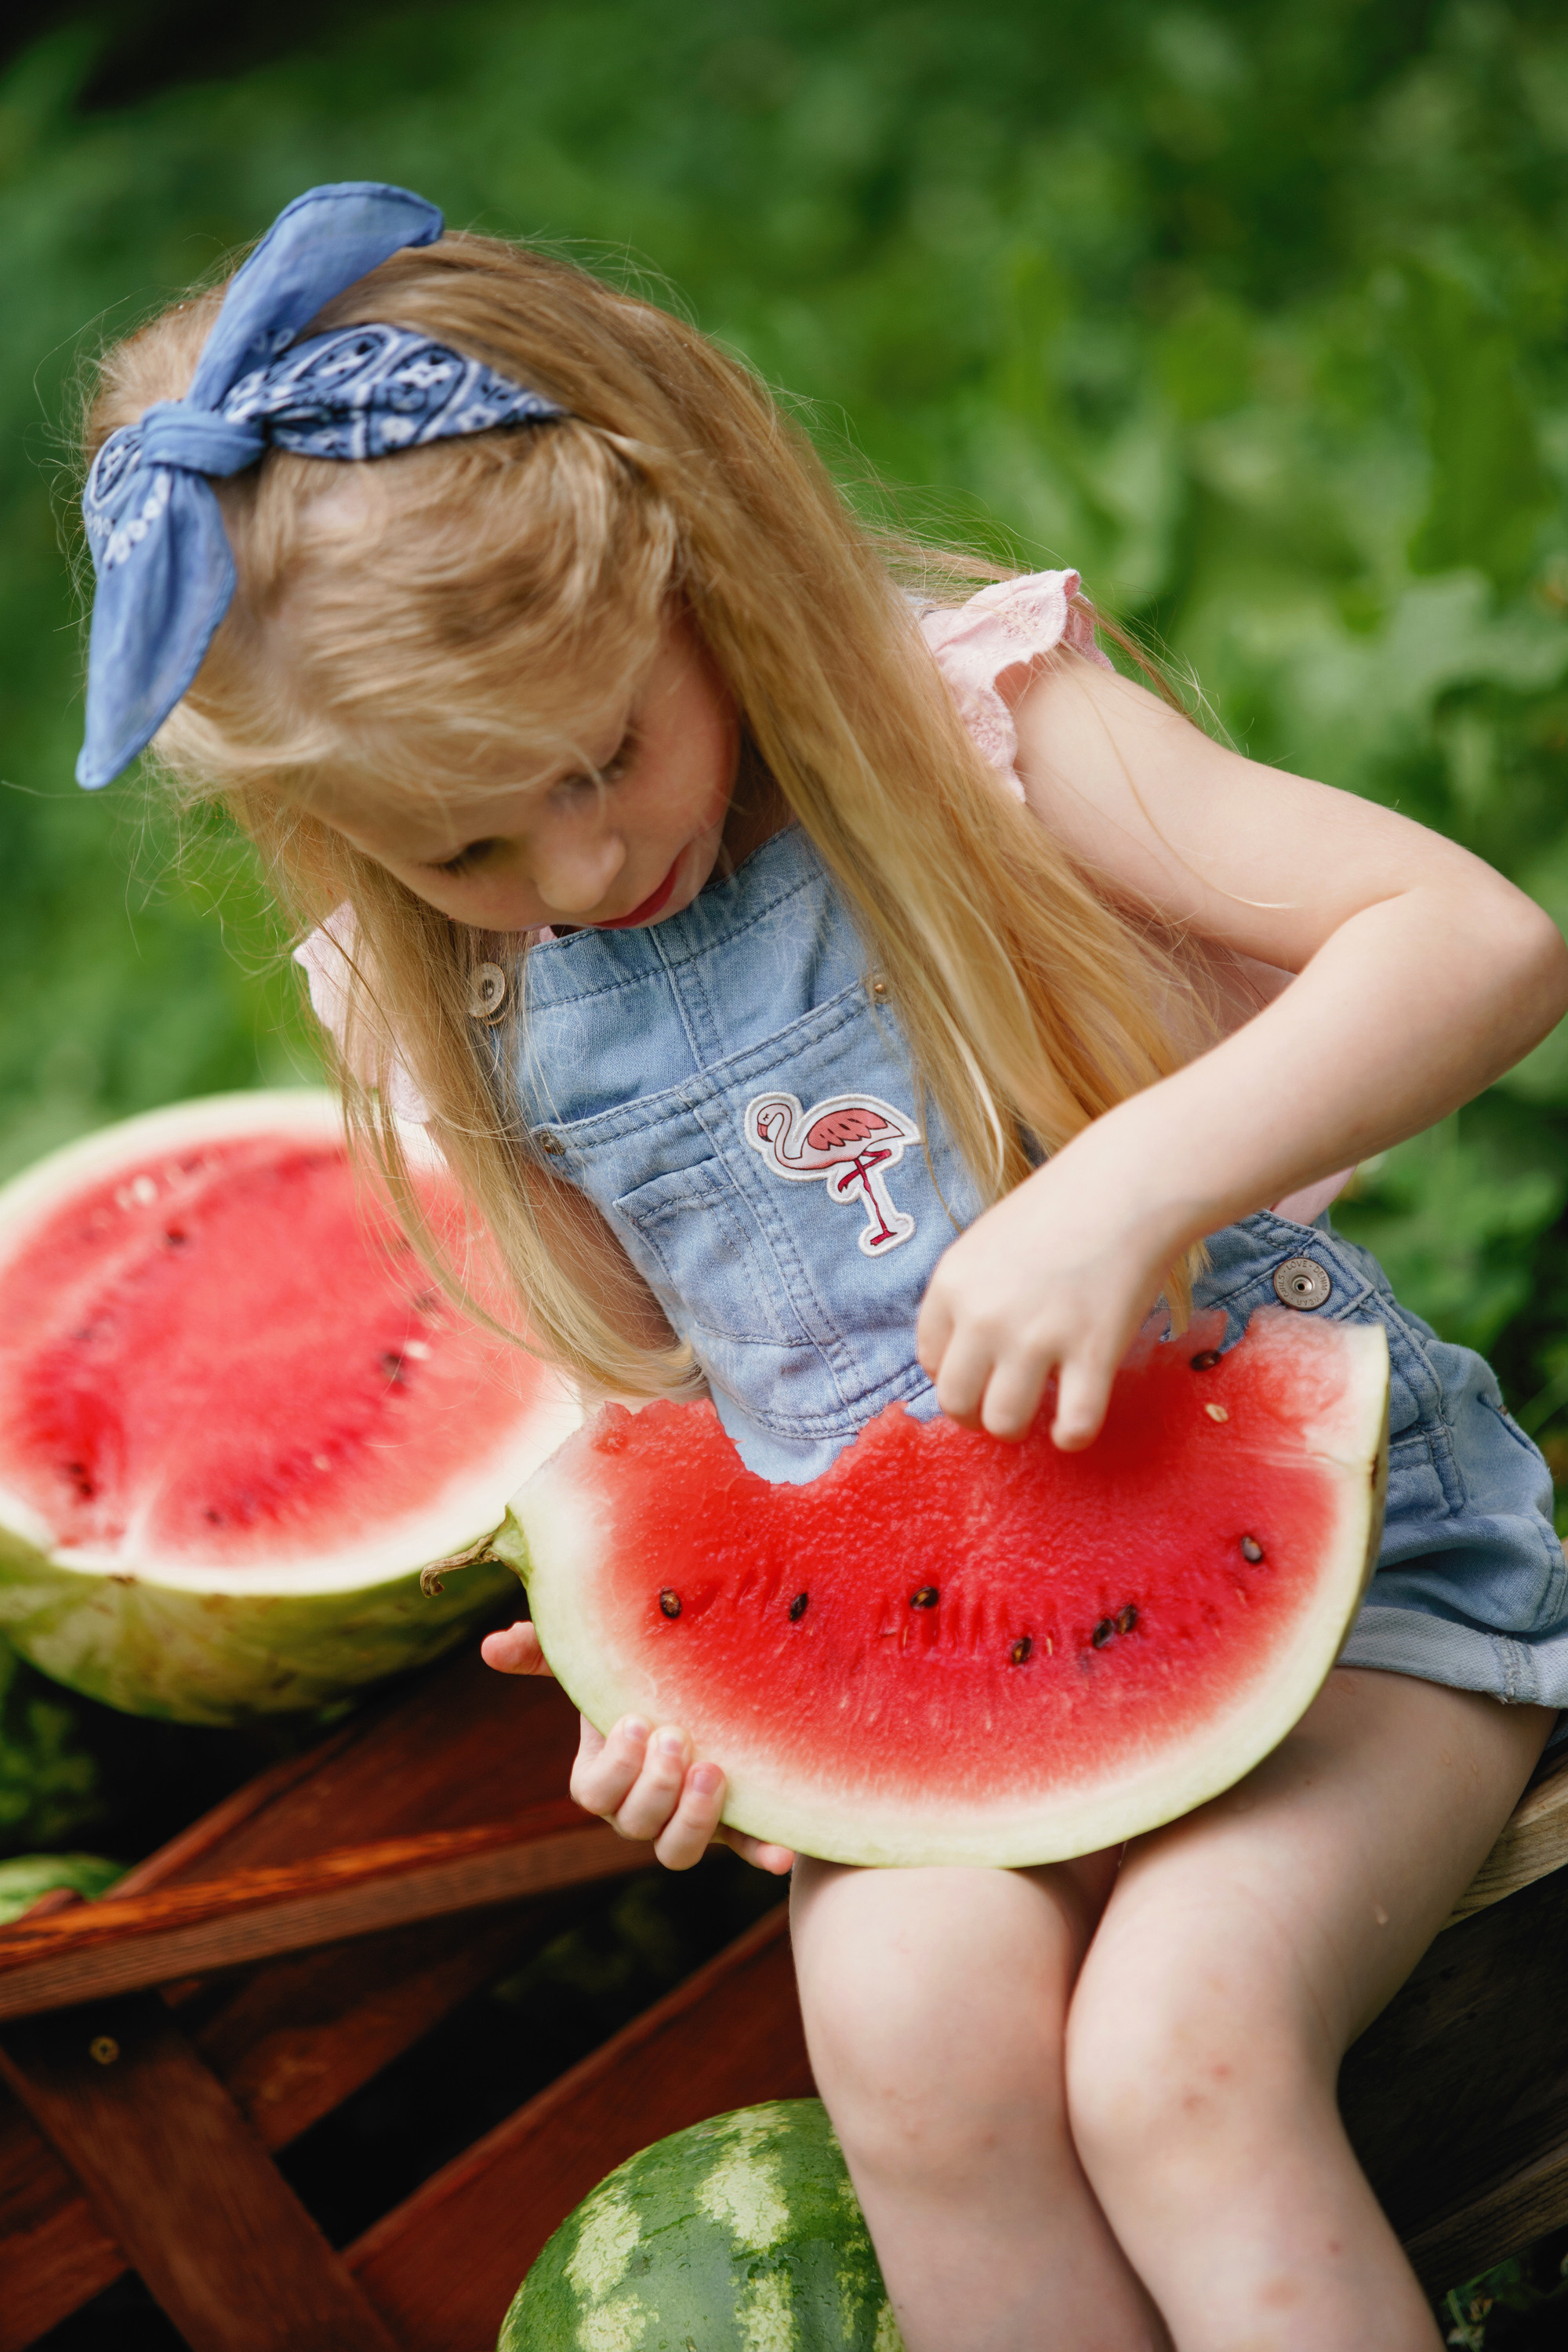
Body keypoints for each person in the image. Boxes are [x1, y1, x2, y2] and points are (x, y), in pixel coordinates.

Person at [76, 183, 1568, 2352]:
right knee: (916, 2057)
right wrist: (651, 1669)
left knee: (1180, 2065)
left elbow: (1475, 940)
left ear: (692, 562)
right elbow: (657, 1407)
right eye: (465, 842)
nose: (580, 863)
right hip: (918, 1666)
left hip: (1355, 1593)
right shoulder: (444, 1005)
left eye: (603, 755)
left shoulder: (965, 726)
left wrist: (1129, 1188)